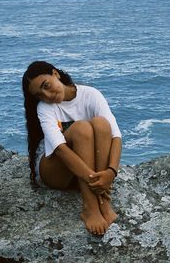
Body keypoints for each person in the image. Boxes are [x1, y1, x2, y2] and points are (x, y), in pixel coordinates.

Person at [22, 61, 122, 236]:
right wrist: (95, 180)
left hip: (81, 171)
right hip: (54, 169)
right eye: (40, 95)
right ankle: (90, 207)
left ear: (55, 74)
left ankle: (104, 204)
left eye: (47, 86)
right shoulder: (45, 108)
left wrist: (110, 173)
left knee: (102, 124)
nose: (47, 95)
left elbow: (116, 136)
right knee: (82, 129)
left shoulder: (91, 94)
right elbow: (60, 149)